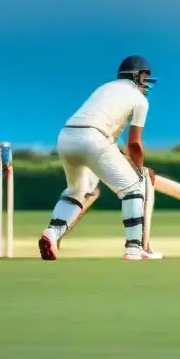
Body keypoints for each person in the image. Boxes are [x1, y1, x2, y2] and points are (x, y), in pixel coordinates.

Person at [39, 55, 159, 261]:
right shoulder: (140, 100)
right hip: (94, 139)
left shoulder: (105, 87)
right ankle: (134, 249)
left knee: (78, 189)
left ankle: (52, 233)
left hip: (67, 136)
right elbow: (134, 144)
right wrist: (139, 172)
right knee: (133, 188)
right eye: (145, 76)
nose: (147, 82)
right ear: (136, 75)